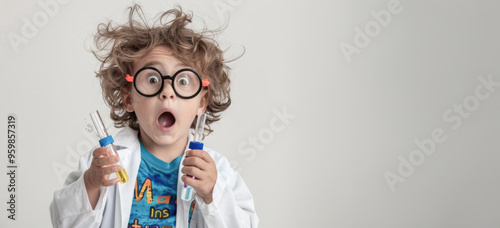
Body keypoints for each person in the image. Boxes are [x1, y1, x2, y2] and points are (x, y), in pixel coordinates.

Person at [49, 5, 258, 228]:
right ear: (128, 98)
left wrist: (213, 193)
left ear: (202, 102)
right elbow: (63, 221)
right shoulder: (103, 163)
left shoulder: (217, 170)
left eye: (183, 81)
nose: (167, 92)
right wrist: (90, 184)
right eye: (152, 80)